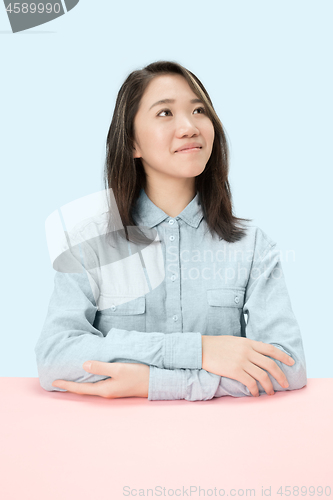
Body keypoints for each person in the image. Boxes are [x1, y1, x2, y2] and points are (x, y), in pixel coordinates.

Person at [34, 60, 307, 401]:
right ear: (132, 143)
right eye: (165, 113)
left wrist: (150, 383)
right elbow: (56, 357)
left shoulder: (252, 247)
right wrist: (203, 350)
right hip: (111, 443)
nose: (189, 127)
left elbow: (288, 366)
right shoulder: (89, 243)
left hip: (225, 442)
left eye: (198, 111)